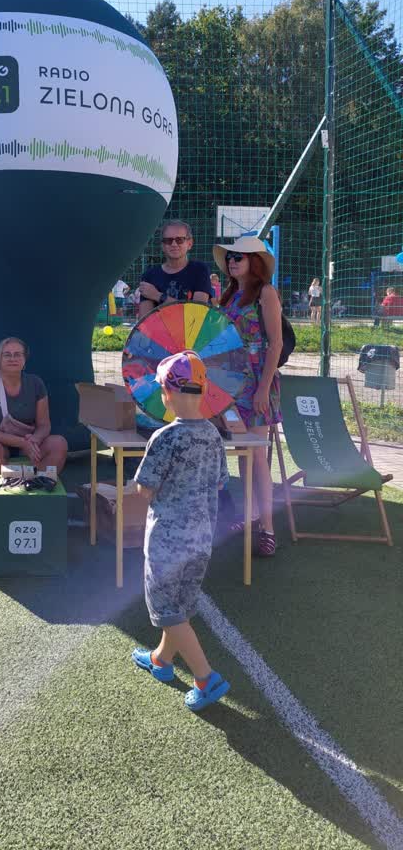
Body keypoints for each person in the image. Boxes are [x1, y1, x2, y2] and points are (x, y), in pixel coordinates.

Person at [131, 351, 230, 712]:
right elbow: (220, 481)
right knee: (180, 606)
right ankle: (161, 659)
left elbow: (145, 488)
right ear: (202, 391)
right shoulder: (213, 435)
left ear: (167, 393)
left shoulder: (165, 437)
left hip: (167, 542)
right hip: (202, 539)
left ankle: (205, 678)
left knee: (165, 610)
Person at [214, 236, 283, 557]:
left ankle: (267, 528)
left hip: (256, 382)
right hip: (230, 384)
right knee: (243, 454)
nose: (232, 261)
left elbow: (275, 344)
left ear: (254, 261)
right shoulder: (228, 295)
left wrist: (264, 389)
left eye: (238, 257)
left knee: (256, 455)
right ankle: (250, 515)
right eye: (230, 256)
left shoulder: (266, 293)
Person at [0, 336, 68, 474]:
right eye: (7, 355)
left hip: (26, 445)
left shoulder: (36, 383)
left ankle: (40, 481)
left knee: (59, 443)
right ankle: (5, 486)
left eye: (17, 354)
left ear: (24, 359)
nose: (12, 358)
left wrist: (35, 439)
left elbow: (44, 425)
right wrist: (22, 443)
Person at [137, 220, 214, 319]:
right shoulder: (149, 275)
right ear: (163, 246)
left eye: (179, 240)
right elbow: (145, 321)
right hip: (159, 329)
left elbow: (197, 314)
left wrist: (158, 296)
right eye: (168, 240)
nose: (174, 244)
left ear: (190, 243)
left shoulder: (199, 270)